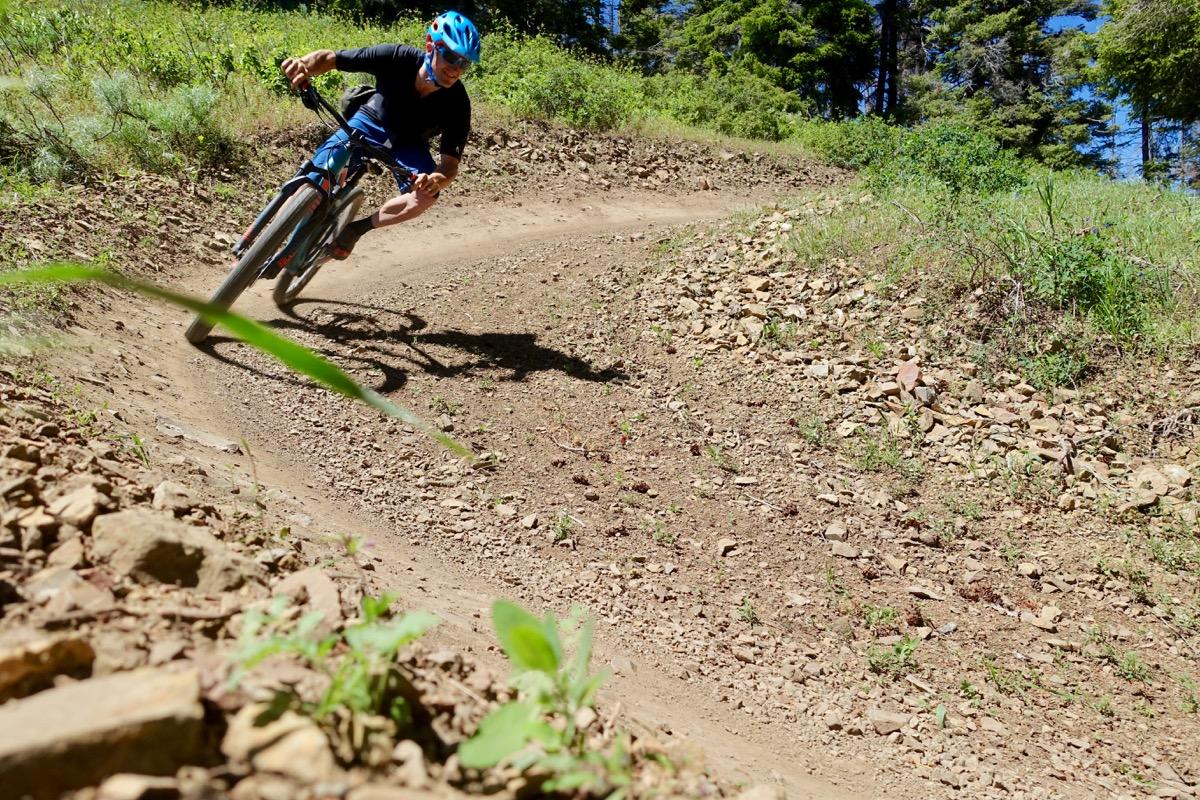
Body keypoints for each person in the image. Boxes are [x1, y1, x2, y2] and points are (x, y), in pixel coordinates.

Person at [279, 11, 480, 259]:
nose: (455, 69)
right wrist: (303, 66)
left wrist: (434, 180)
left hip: (409, 146)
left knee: (426, 197)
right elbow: (330, 58)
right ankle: (263, 245)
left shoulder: (458, 103)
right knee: (318, 178)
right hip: (370, 120)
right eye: (450, 56)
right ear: (431, 45)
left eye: (464, 63)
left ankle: (356, 229)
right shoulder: (396, 57)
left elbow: (450, 166)